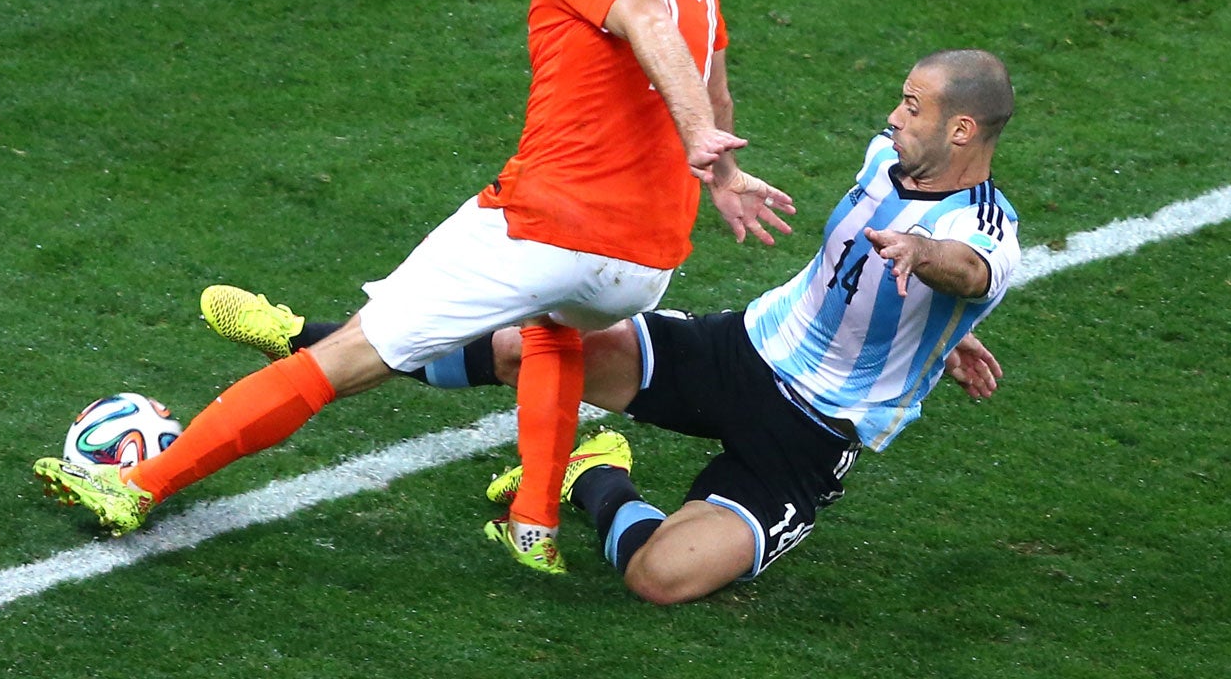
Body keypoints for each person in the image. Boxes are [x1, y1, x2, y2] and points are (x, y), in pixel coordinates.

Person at [33, 0, 791, 568]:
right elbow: (714, 83)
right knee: (552, 330)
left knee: (347, 355)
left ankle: (137, 486)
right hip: (644, 262)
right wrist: (721, 174)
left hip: (550, 223)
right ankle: (534, 525)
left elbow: (644, 19)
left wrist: (699, 139)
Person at [206, 49, 1019, 602]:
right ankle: (308, 338)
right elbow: (877, 277)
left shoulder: (988, 225)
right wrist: (945, 331)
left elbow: (971, 269)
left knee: (659, 578)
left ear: (961, 130)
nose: (893, 114)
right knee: (524, 346)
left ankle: (593, 473)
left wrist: (933, 268)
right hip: (742, 349)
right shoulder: (887, 158)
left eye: (912, 106)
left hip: (809, 435)